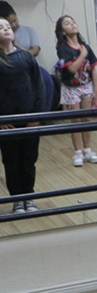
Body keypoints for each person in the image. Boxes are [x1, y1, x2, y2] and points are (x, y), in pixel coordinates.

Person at [0, 16, 45, 213]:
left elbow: (39, 87)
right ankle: (17, 199)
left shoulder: (26, 57)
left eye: (8, 27)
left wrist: (37, 115)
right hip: (6, 122)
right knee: (11, 161)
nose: (6, 30)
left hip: (29, 121)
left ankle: (29, 197)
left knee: (28, 160)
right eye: (1, 28)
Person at [55, 15, 97, 168]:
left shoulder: (86, 46)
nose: (72, 24)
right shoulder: (63, 48)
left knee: (87, 118)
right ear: (63, 31)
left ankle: (88, 149)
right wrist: (82, 55)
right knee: (75, 120)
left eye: (73, 21)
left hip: (86, 86)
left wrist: (96, 89)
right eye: (67, 23)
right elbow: (72, 68)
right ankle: (77, 152)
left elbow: (93, 68)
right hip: (71, 88)